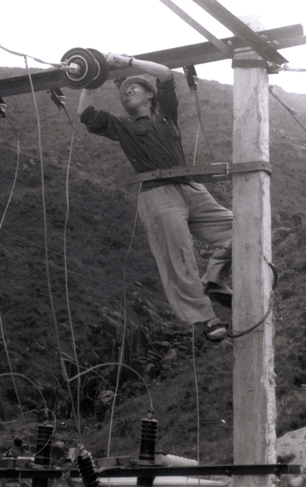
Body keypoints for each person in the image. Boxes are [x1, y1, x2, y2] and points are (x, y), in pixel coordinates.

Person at [77, 53, 233, 342]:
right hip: (157, 194)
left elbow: (164, 74)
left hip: (189, 186)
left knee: (243, 228)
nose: (126, 94)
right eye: (122, 93)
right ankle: (206, 319)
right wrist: (92, 78)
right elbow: (84, 114)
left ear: (149, 93)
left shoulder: (166, 114)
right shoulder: (121, 125)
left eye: (132, 88)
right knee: (178, 257)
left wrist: (128, 62)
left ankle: (214, 277)